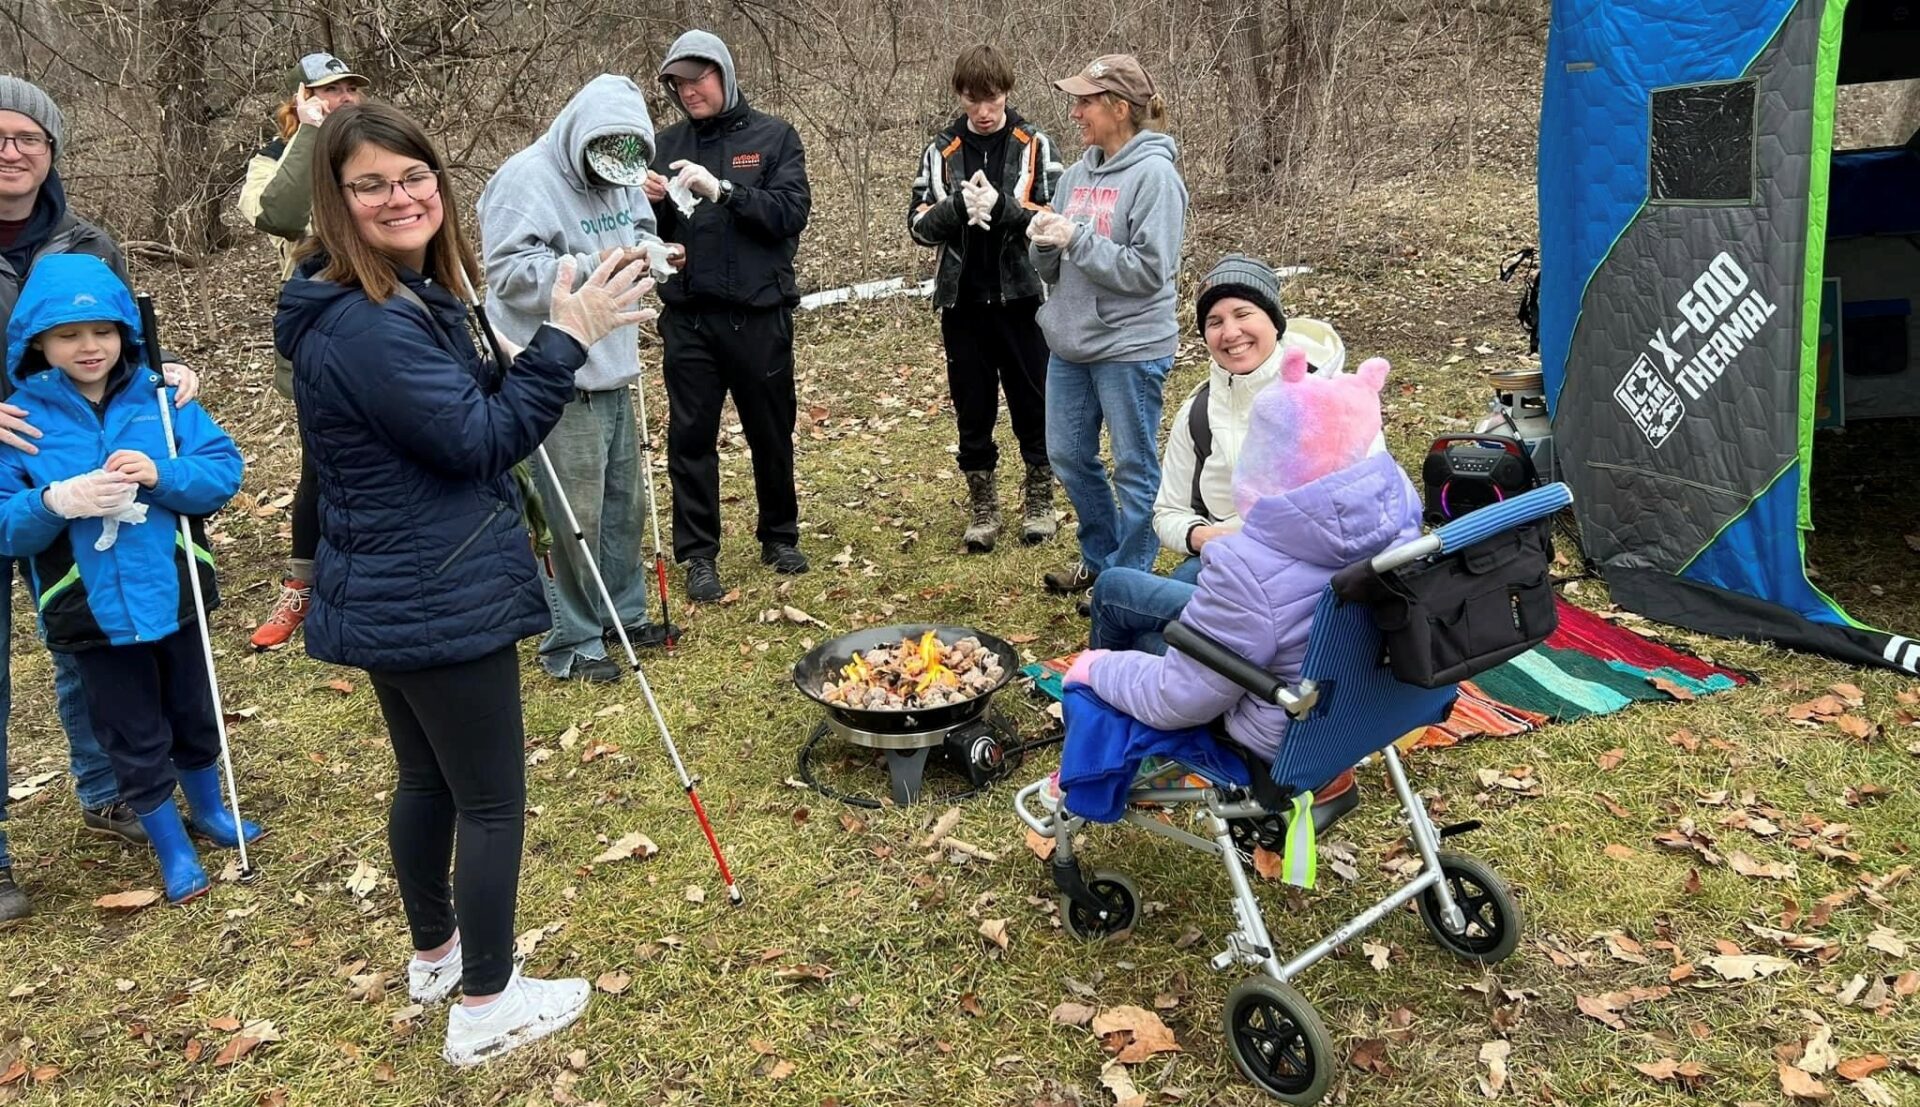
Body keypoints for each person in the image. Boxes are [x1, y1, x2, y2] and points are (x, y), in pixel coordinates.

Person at [274, 103, 653, 1065]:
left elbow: (457, 409)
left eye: (414, 176)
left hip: (397, 579)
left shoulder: (391, 299)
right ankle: (487, 1001)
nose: (400, 197)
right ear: (335, 198)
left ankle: (438, 953)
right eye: (371, 184)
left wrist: (532, 349)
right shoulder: (367, 326)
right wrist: (565, 339)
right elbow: (482, 440)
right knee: (490, 800)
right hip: (435, 587)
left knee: (426, 777)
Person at [0, 75, 204, 924]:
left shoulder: (86, 240)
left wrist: (168, 379)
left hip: (75, 465)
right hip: (18, 469)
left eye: (28, 139)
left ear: (50, 154)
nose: (11, 154)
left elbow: (126, 341)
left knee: (87, 628)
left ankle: (112, 787)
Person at [1054, 348, 1418, 818]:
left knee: (1131, 632)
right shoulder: (1401, 518)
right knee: (1151, 584)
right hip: (1367, 704)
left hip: (1282, 730)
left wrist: (1095, 668)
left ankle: (1101, 743)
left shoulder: (1247, 567)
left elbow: (1176, 698)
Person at [0, 254, 253, 906]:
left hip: (174, 588)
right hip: (87, 608)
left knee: (193, 709)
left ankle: (210, 812)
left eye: (103, 331)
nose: (89, 347)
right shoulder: (20, 422)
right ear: (37, 343)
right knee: (132, 732)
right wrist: (55, 502)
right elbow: (6, 524)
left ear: (125, 334)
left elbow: (222, 470)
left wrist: (161, 473)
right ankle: (169, 844)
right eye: (67, 335)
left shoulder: (161, 399)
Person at [481, 74, 678, 683]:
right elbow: (508, 272)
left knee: (624, 504)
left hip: (615, 362)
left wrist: (653, 250)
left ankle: (625, 614)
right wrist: (597, 265)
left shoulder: (623, 169)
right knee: (573, 514)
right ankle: (572, 639)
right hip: (553, 376)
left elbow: (640, 225)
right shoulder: (525, 179)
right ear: (578, 135)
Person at [1091, 254, 1348, 654]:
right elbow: (1167, 512)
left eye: (1243, 314)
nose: (1231, 333)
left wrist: (1260, 542)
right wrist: (1202, 536)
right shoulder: (1198, 412)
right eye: (1215, 322)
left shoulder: (1329, 399)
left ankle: (1099, 693)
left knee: (1113, 590)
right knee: (1150, 641)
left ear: (1273, 321)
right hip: (1225, 561)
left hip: (1306, 582)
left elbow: (1361, 509)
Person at [642, 30, 812, 602]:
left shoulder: (773, 137)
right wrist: (651, 211)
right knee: (690, 437)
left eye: (699, 78)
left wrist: (724, 191)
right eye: (679, 83)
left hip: (758, 314)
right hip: (689, 318)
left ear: (724, 72)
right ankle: (698, 555)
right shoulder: (662, 145)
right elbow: (647, 239)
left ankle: (779, 536)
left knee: (770, 429)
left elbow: (789, 214)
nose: (689, 90)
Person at [1027, 54, 1187, 596]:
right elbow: (1056, 263)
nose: (1075, 112)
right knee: (1068, 456)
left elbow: (1148, 271)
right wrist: (1044, 241)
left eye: (1085, 102)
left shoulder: (1156, 177)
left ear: (1119, 108)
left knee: (1134, 467)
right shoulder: (1074, 175)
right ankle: (1099, 560)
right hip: (1070, 341)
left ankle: (1130, 582)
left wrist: (1078, 239)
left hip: (1130, 346)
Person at [237, 52, 369, 651]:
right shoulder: (272, 159)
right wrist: (311, 136)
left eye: (350, 89)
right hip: (317, 327)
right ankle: (304, 586)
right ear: (301, 99)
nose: (343, 99)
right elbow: (278, 214)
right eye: (328, 90)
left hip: (390, 315)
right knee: (323, 459)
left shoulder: (374, 151)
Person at [909, 44, 1062, 552]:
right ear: (960, 96)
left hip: (1022, 298)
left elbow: (1051, 221)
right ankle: (983, 505)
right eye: (973, 100)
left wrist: (1004, 208)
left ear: (1006, 92)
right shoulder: (942, 149)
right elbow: (918, 226)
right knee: (972, 406)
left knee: (1032, 401)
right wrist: (955, 206)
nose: (983, 110)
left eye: (992, 98)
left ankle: (1040, 499)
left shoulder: (1033, 142)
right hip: (963, 302)